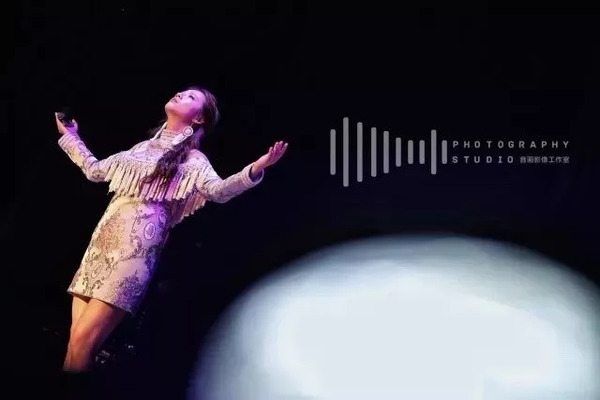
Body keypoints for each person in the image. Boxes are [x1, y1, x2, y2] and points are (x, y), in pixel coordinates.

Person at [54, 87, 288, 372]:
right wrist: (71, 136)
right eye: (182, 92)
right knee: (74, 348)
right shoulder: (141, 149)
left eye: (190, 97)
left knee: (82, 345)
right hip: (100, 247)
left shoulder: (193, 161)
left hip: (131, 256)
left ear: (199, 119)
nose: (180, 94)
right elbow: (95, 170)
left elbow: (219, 191)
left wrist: (256, 168)